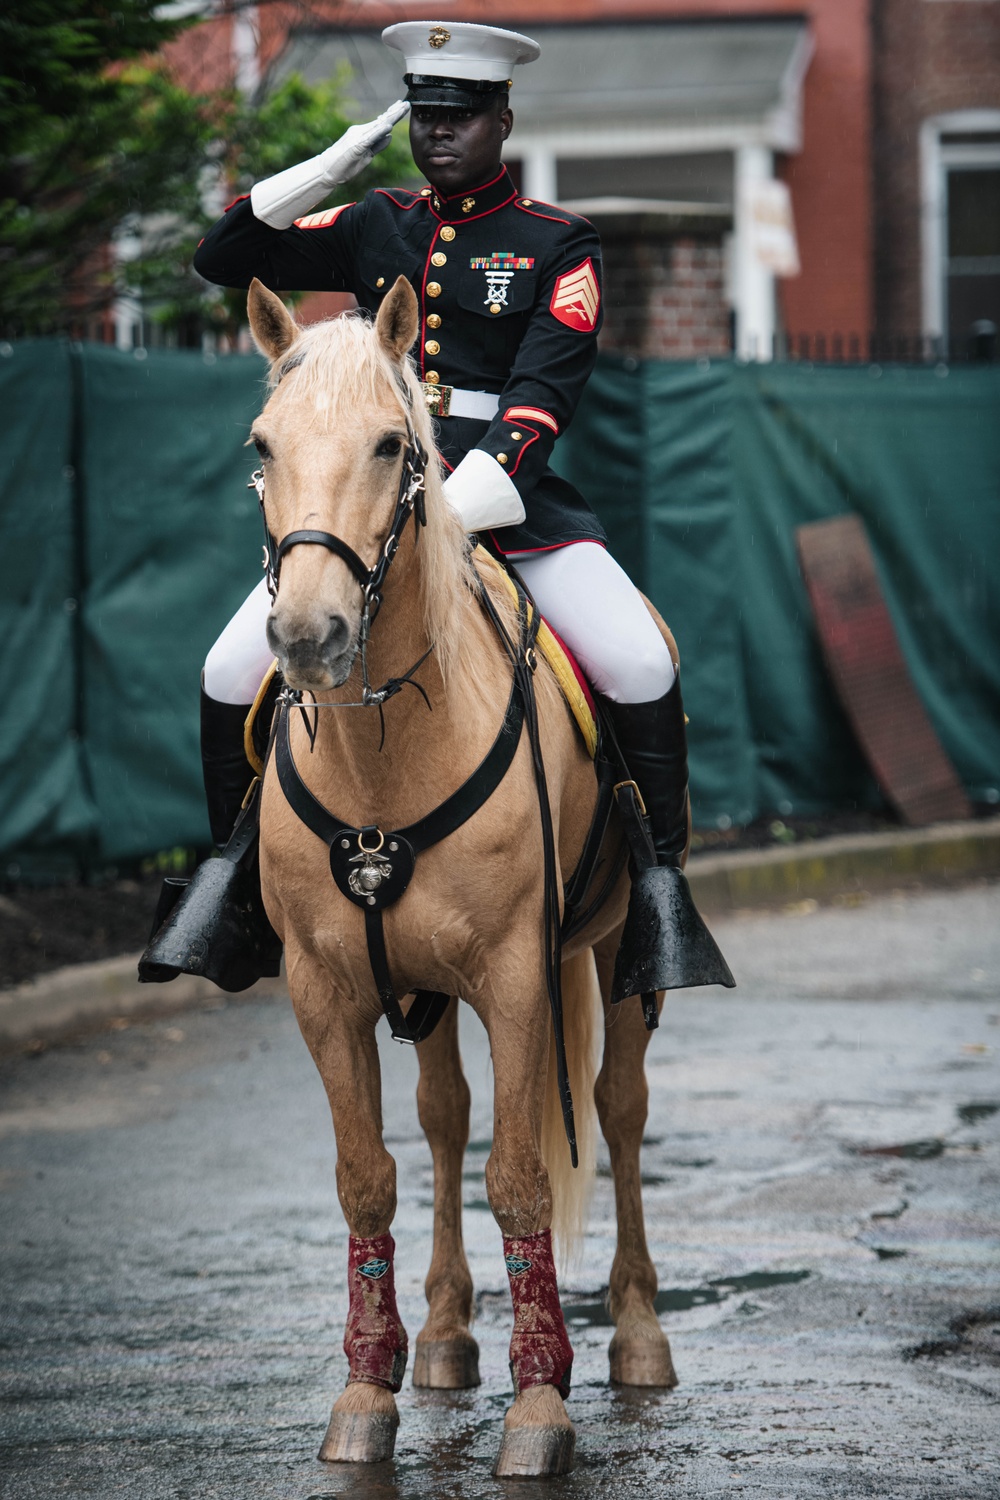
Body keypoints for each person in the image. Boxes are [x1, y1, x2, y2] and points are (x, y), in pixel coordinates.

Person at [145, 20, 731, 1000]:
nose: (440, 135)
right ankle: (237, 891)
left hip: (511, 508)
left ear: (502, 117)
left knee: (637, 658)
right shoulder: (379, 222)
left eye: (459, 116)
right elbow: (222, 257)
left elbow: (539, 406)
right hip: (369, 515)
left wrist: (454, 512)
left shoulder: (558, 243)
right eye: (425, 116)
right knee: (225, 667)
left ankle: (658, 893)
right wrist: (329, 165)